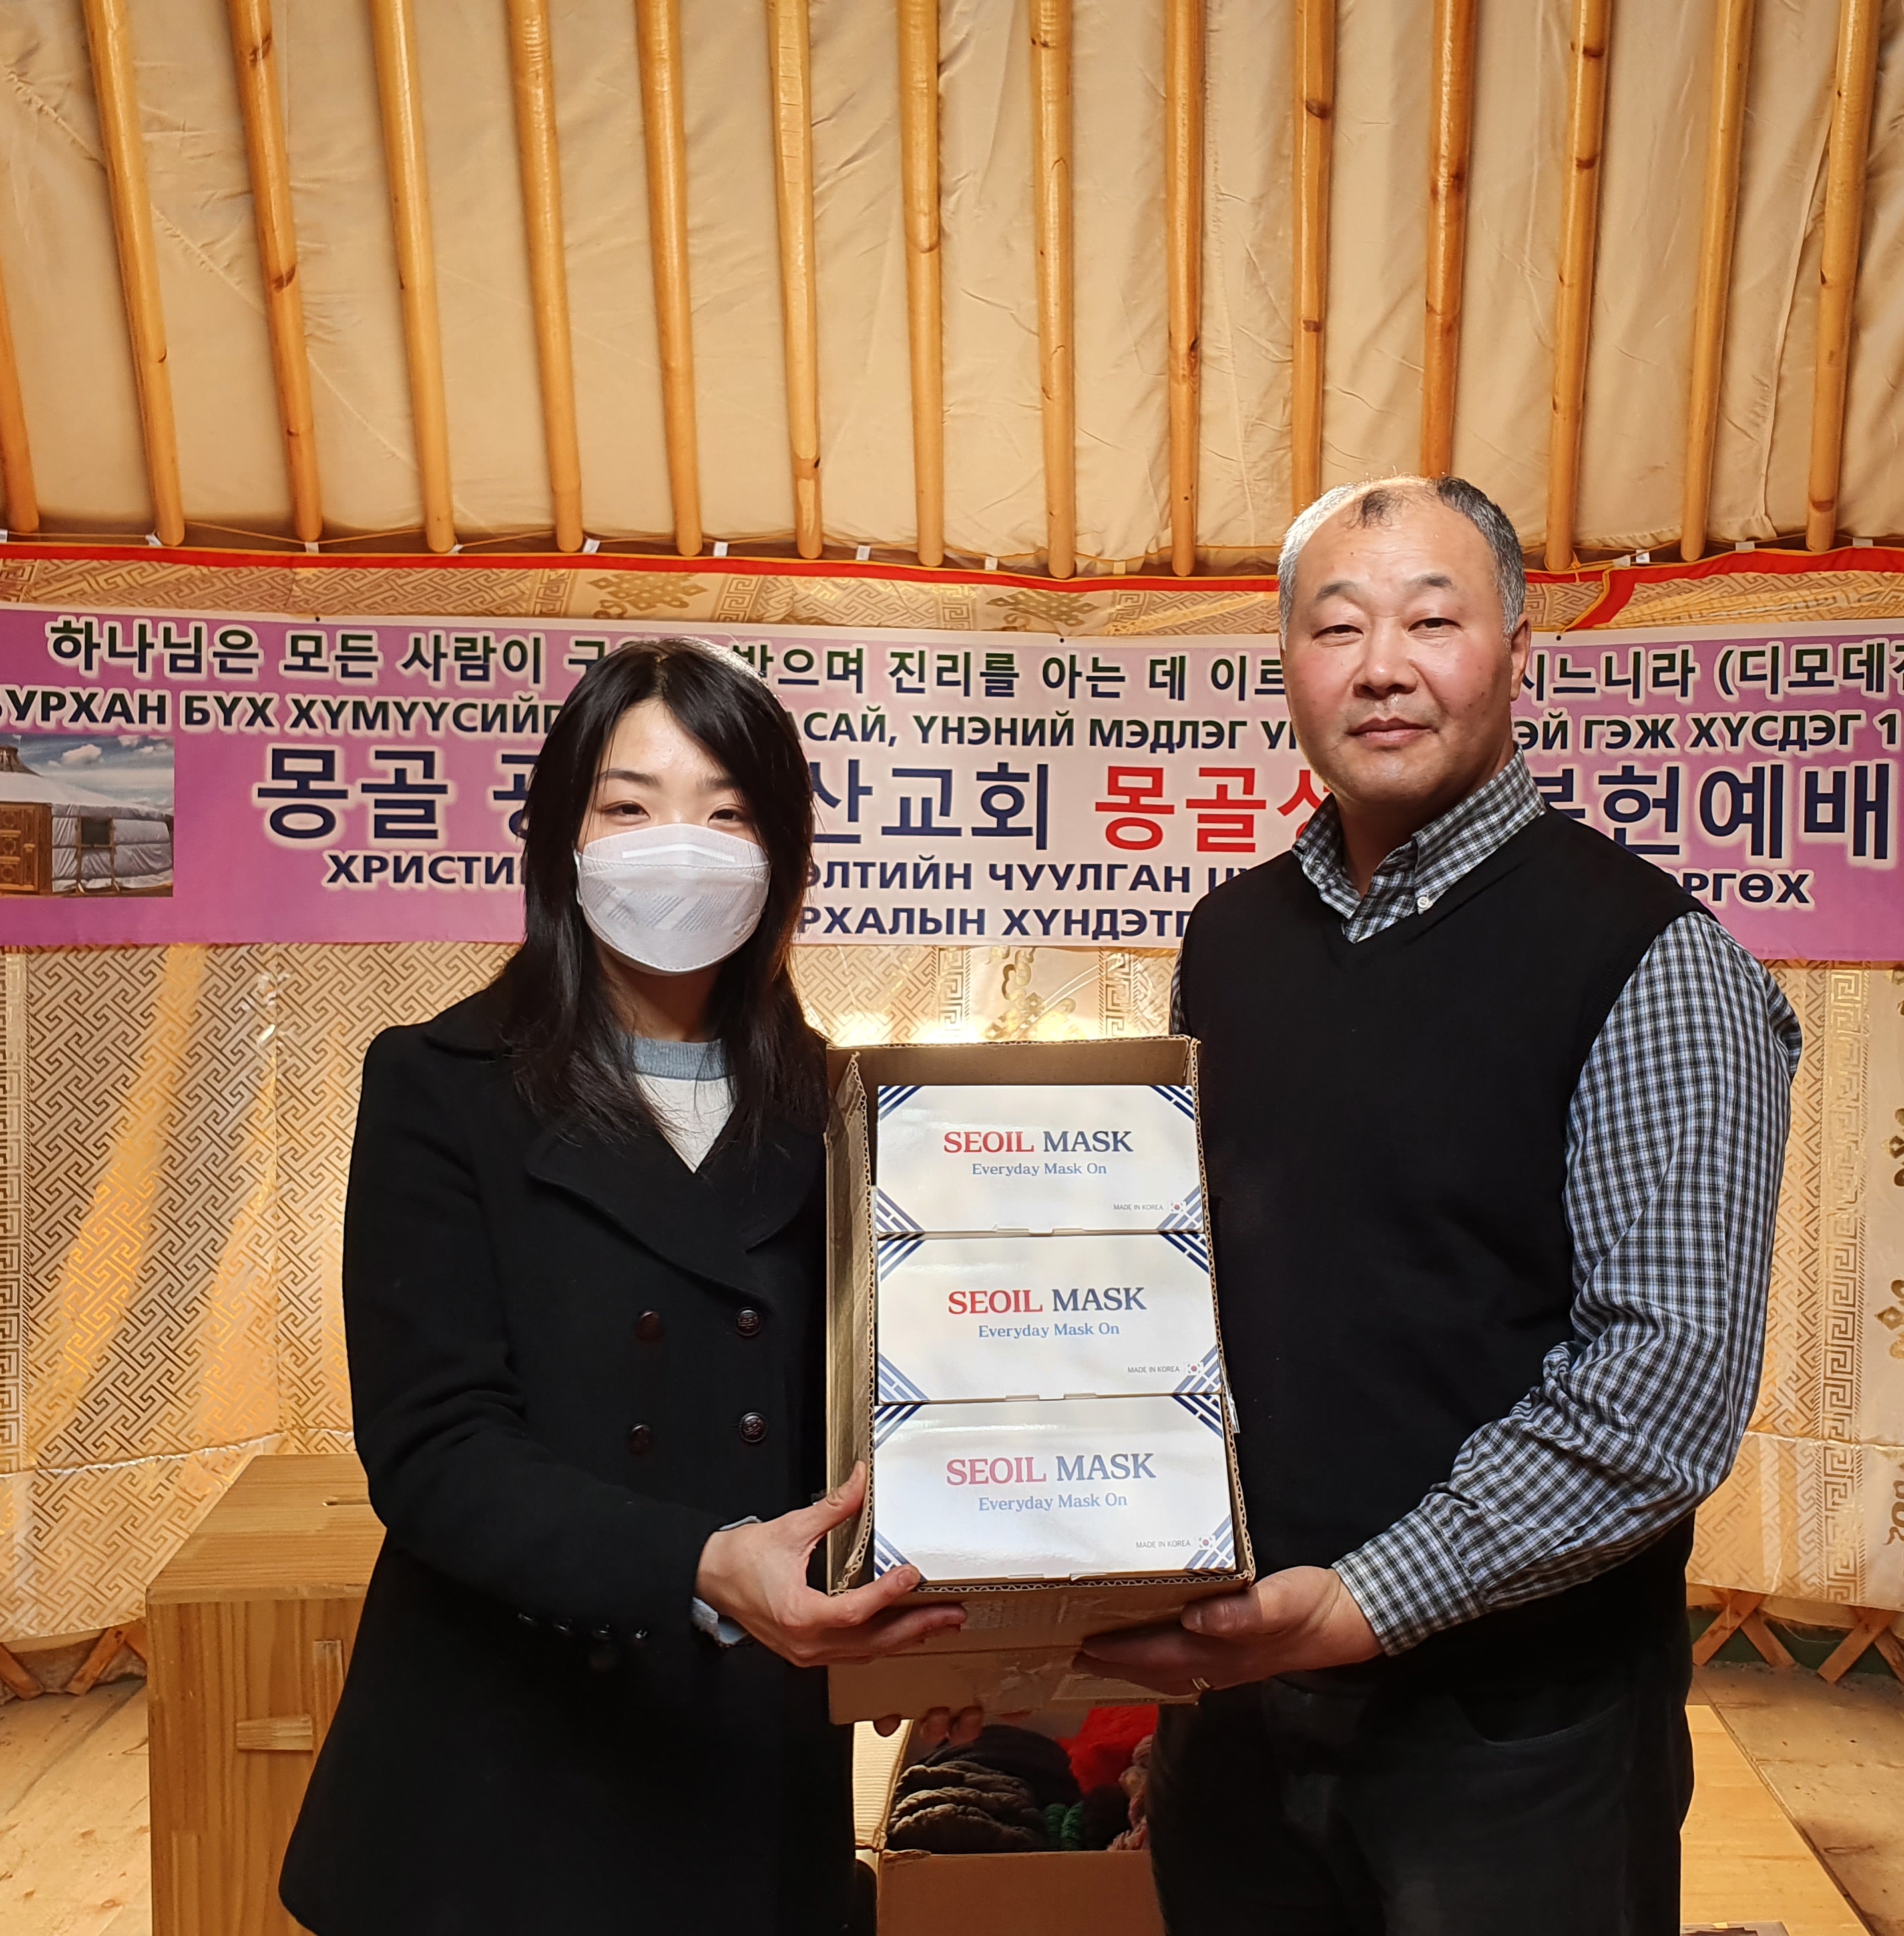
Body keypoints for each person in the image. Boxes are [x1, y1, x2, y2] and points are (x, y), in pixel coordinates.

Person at [1079, 477, 1801, 1935]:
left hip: (1514, 1739)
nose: (1382, 667)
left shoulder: (1652, 961)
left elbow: (1663, 1389)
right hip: (1238, 1697)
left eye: (1432, 620)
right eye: (1337, 626)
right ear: (1289, 662)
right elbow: (1187, 1282)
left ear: (1518, 652)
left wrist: (1357, 1605)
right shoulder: (1230, 942)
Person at [282, 638, 968, 1936]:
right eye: (631, 807)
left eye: (728, 813)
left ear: (783, 857)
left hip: (748, 1773)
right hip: (502, 1797)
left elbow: (883, 1422)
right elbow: (435, 1451)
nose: (681, 848)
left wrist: (949, 1617)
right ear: (562, 838)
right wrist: (699, 1563)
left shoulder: (841, 1110)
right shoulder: (439, 1086)